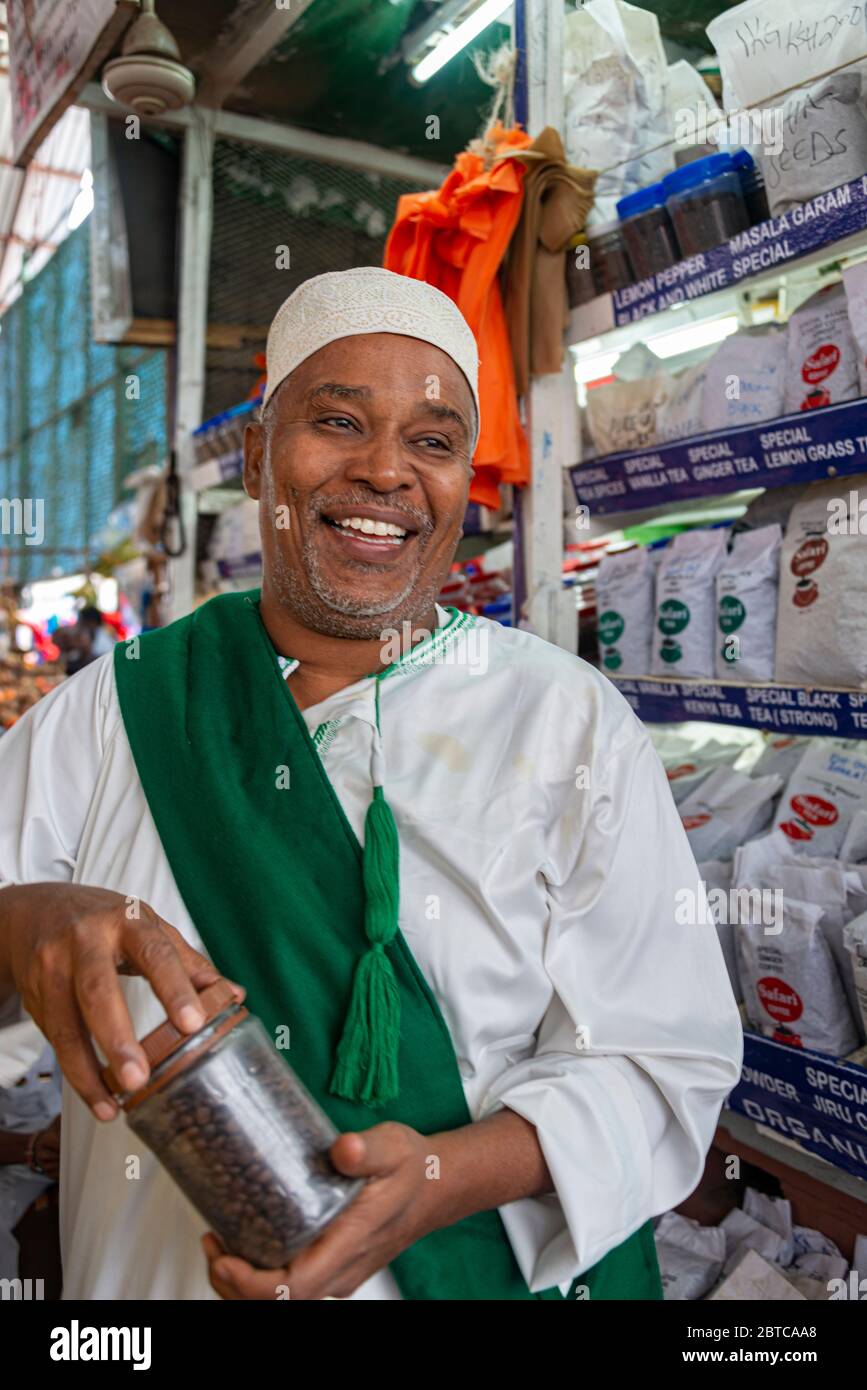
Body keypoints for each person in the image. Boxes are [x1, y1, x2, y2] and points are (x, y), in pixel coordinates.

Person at [0, 267, 742, 1301]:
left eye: (433, 441)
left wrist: (443, 1178)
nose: (386, 471)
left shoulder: (568, 720)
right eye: (338, 421)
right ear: (259, 456)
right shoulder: (113, 713)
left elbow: (664, 1058)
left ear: (464, 479)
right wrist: (18, 921)